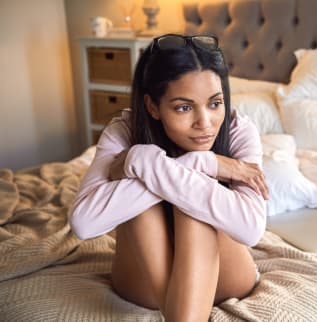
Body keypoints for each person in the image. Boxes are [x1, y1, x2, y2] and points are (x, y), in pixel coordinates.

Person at [68, 34, 269, 322]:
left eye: (215, 103)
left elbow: (251, 229)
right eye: (184, 107)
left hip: (227, 279)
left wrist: (144, 163)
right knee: (150, 200)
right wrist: (203, 163)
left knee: (193, 202)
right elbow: (84, 223)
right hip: (145, 284)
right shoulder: (124, 131)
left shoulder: (239, 130)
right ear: (152, 107)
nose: (205, 123)